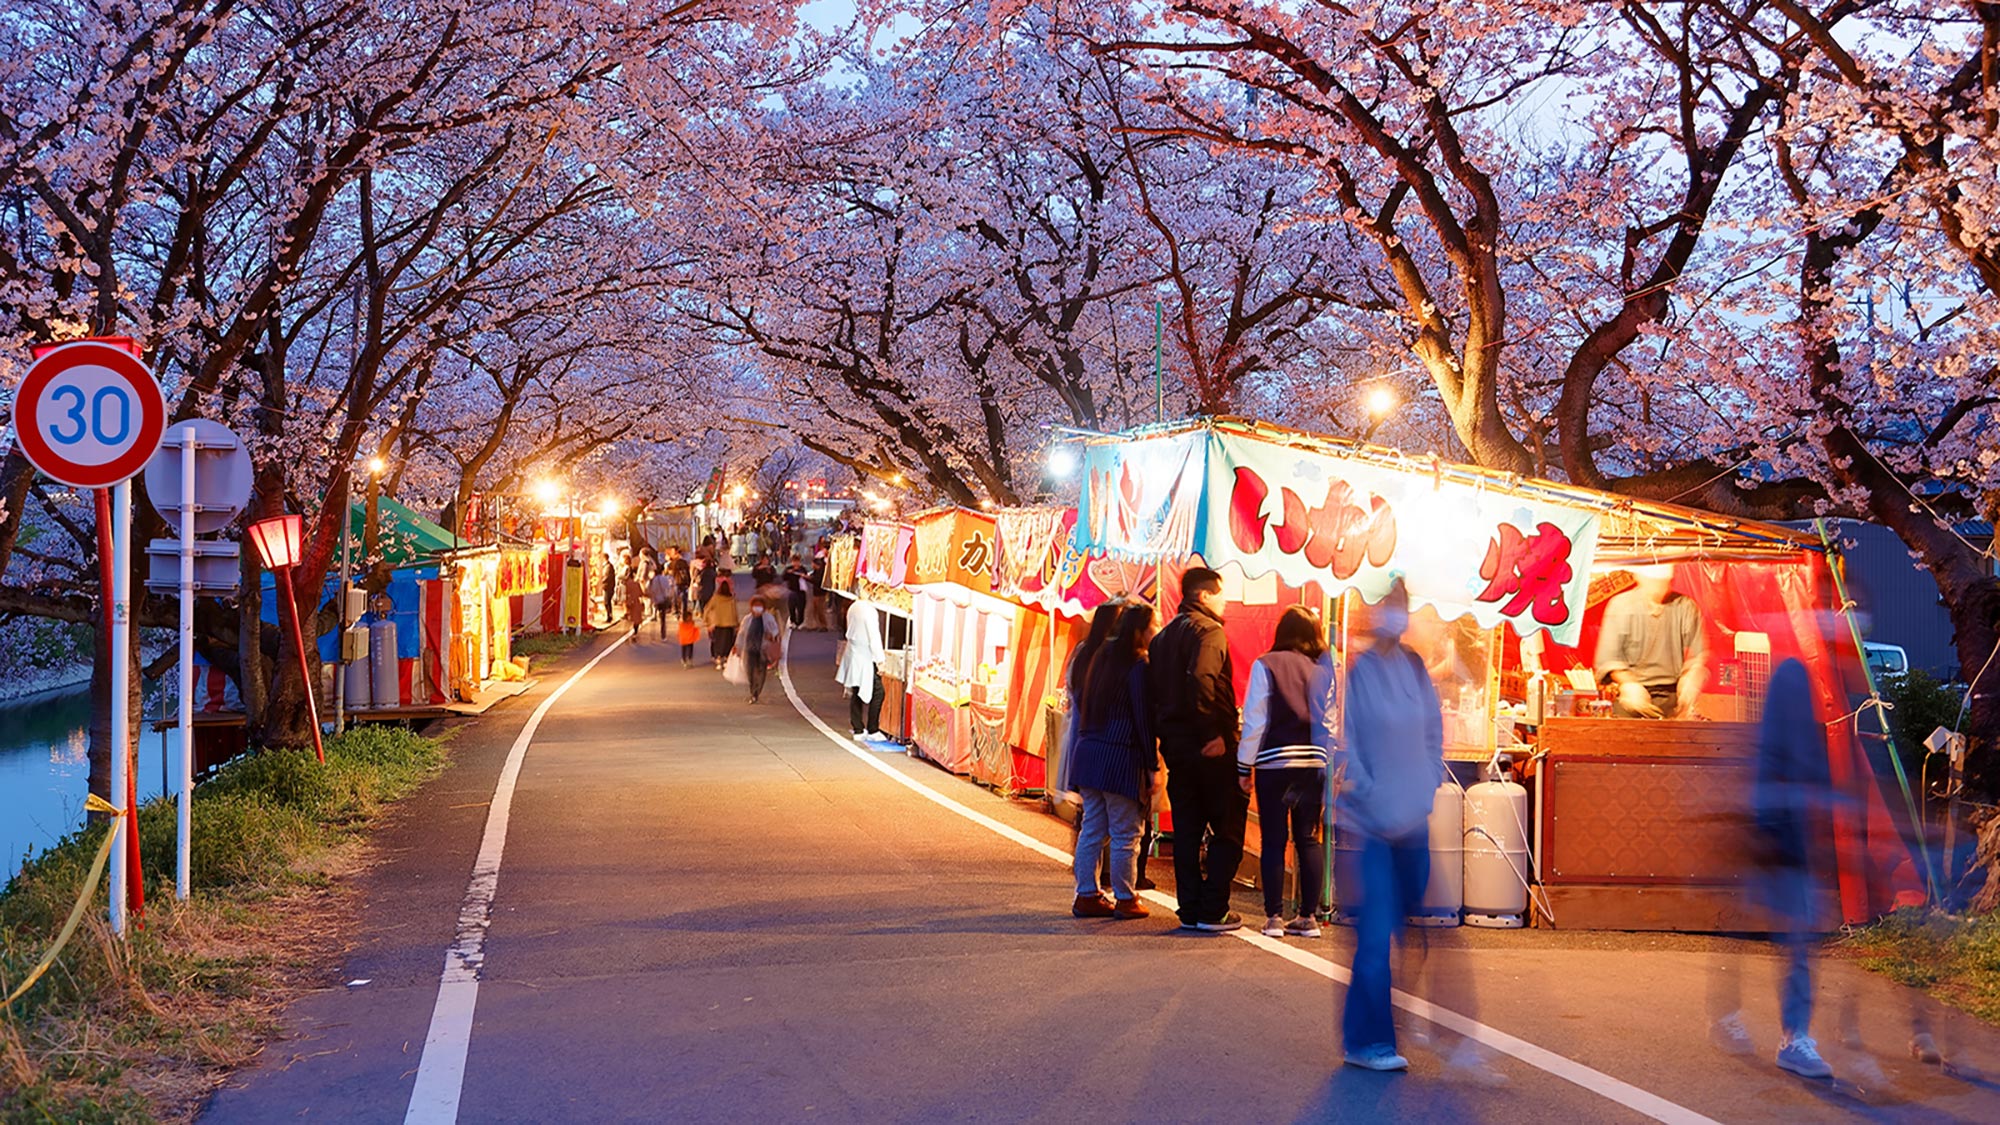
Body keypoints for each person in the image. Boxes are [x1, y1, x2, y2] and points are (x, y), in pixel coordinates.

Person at [1338, 579, 1443, 1072]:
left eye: (1402, 604)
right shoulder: (1362, 672)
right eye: (1389, 604)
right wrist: (1372, 793)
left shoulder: (1416, 666)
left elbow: (1431, 734)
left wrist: (1426, 786)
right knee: (1378, 934)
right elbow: (1351, 743)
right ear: (1374, 609)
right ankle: (1367, 1041)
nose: (1396, 613)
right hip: (1375, 825)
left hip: (1414, 820)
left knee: (1410, 930)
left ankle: (1384, 1022)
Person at [1149, 566, 1245, 932]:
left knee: (1187, 830)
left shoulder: (1162, 639)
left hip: (1176, 747)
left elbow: (1156, 695)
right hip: (1210, 750)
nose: (1225, 602)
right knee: (1228, 827)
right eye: (1220, 594)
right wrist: (1211, 734)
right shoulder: (1210, 632)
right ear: (1203, 596)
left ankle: (1190, 908)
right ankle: (1213, 909)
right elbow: (1202, 678)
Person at [1755, 658, 1836, 1079]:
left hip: (1792, 835)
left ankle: (1788, 1032)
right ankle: (1793, 1038)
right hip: (1785, 836)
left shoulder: (1805, 682)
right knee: (1799, 940)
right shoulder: (1793, 674)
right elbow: (1775, 761)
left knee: (1798, 938)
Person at [1238, 605, 1338, 939]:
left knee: (1274, 839)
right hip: (1314, 762)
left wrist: (1244, 765)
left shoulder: (1265, 664)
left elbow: (1255, 720)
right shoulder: (1325, 668)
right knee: (1308, 838)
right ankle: (1308, 917)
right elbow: (1333, 721)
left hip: (1274, 762)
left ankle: (1274, 918)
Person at [1066, 603, 1158, 921]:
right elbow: (1143, 720)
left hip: (1088, 754)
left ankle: (1087, 894)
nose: (1155, 631)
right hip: (1119, 758)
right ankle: (1125, 897)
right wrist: (1152, 766)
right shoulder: (1137, 667)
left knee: (1093, 827)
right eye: (1153, 625)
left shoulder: (1098, 657)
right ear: (1139, 631)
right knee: (1125, 832)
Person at [1595, 564, 1707, 718]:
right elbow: (1608, 659)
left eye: (1663, 583)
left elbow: (1698, 654)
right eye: (1653, 582)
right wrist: (1630, 685)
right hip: (1632, 699)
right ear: (1639, 578)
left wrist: (1692, 677)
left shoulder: (1685, 606)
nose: (1658, 589)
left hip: (1671, 699)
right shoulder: (1620, 605)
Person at [837, 599, 887, 740]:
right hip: (865, 654)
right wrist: (880, 660)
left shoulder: (854, 606)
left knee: (857, 689)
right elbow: (874, 637)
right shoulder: (869, 611)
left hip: (854, 652)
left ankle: (858, 728)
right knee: (879, 692)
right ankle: (872, 729)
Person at [738, 596, 782, 704]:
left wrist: (771, 636)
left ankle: (756, 693)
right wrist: (737, 646)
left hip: (763, 648)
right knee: (749, 670)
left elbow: (775, 631)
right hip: (749, 648)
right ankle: (752, 688)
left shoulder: (768, 618)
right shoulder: (747, 619)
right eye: (755, 606)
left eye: (760, 606)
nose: (757, 608)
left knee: (761, 670)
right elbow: (741, 634)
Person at [705, 576, 739, 668]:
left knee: (718, 641)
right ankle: (726, 659)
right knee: (728, 642)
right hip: (729, 623)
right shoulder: (731, 599)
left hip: (718, 622)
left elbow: (707, 609)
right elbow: (734, 611)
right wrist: (737, 624)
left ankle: (719, 658)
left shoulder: (716, 598)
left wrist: (707, 621)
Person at [646, 566, 679, 641]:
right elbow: (668, 588)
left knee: (653, 616)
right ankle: (663, 635)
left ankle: (652, 635)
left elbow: (648, 589)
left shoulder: (652, 580)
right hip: (663, 599)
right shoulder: (665, 579)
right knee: (662, 619)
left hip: (655, 600)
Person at [621, 564, 649, 639]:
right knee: (636, 618)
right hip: (636, 602)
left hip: (628, 601)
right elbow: (641, 593)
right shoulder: (636, 584)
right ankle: (635, 633)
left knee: (629, 617)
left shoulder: (625, 584)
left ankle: (626, 632)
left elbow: (624, 593)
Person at [783, 555, 809, 628]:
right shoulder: (789, 569)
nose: (796, 563)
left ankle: (800, 622)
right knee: (791, 607)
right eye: (794, 561)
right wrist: (788, 573)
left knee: (801, 607)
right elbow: (784, 578)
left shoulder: (802, 569)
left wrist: (802, 575)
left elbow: (806, 577)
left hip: (801, 591)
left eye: (797, 561)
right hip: (792, 590)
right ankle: (792, 621)